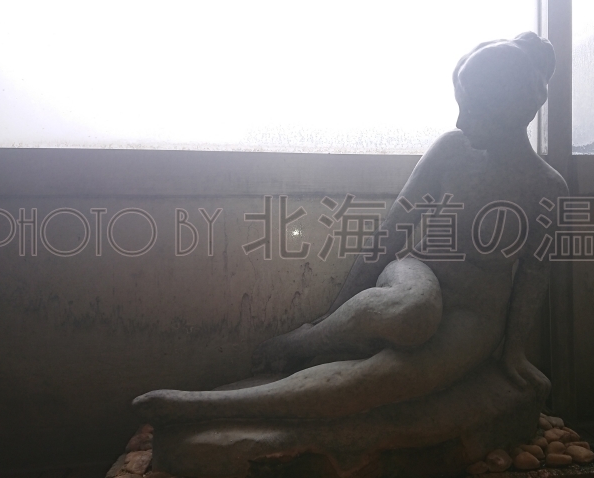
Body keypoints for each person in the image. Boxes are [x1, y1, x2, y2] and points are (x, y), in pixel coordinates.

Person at [133, 31, 567, 426]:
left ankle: (203, 408)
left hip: (476, 314)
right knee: (411, 310)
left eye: (473, 110)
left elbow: (534, 275)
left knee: (382, 382)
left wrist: (513, 351)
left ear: (510, 111)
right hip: (418, 274)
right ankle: (304, 344)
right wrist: (334, 316)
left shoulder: (546, 187)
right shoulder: (452, 151)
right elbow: (392, 232)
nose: (459, 122)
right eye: (460, 106)